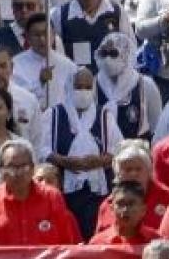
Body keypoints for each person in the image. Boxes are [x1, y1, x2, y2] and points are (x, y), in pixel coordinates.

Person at [43, 64, 120, 239]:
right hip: (63, 192)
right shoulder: (54, 115)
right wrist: (66, 161)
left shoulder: (104, 116)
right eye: (78, 87)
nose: (83, 91)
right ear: (69, 86)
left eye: (87, 87)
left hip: (95, 194)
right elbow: (42, 149)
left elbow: (118, 149)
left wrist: (98, 161)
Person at [0, 139, 80, 246]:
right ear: (0, 170)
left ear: (32, 169)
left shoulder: (52, 197)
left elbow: (66, 244)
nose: (18, 173)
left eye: (24, 166)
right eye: (11, 167)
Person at [89, 181, 154, 246]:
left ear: (143, 210)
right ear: (112, 209)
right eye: (120, 204)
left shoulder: (155, 241)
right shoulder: (98, 243)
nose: (125, 210)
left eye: (131, 204)